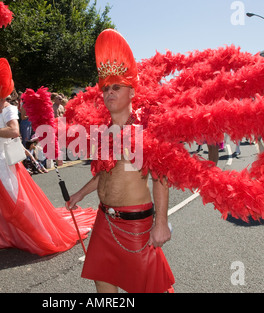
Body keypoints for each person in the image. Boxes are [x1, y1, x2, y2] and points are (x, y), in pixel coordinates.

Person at [66, 29, 175, 293]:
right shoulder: (104, 131)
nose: (109, 93)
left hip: (136, 225)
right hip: (105, 221)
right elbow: (105, 174)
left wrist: (160, 224)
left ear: (132, 92)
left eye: (117, 87)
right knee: (103, 283)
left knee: (152, 288)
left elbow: (161, 176)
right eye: (106, 88)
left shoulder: (145, 128)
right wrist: (79, 194)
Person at [0, 58, 96, 258]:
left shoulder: (8, 108)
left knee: (13, 201)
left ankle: (30, 233)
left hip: (2, 163)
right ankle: (1, 234)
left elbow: (14, 131)